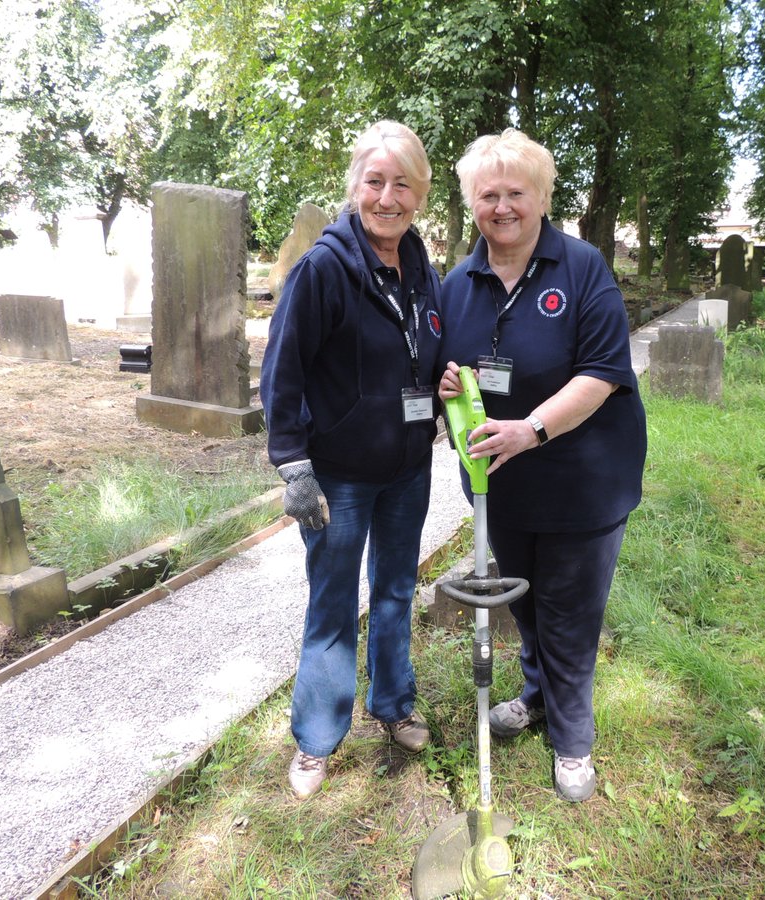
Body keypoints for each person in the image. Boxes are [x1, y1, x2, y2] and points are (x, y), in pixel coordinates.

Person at [436, 129, 646, 802]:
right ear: (472, 203)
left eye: (515, 193)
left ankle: (574, 741)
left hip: (586, 477)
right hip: (502, 487)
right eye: (487, 194)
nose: (502, 207)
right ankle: (535, 695)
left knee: (570, 613)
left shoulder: (582, 268)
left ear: (543, 197)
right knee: (525, 604)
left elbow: (605, 373)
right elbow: (447, 374)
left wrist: (531, 428)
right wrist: (445, 387)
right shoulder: (456, 287)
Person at [259, 121, 443, 800]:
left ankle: (393, 704)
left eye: (402, 184)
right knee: (334, 603)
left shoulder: (421, 267)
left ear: (419, 194)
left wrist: (447, 394)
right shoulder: (323, 269)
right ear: (354, 187)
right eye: (375, 181)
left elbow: (428, 352)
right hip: (338, 475)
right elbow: (283, 372)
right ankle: (315, 740)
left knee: (395, 590)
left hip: (407, 468)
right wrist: (293, 464)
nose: (387, 197)